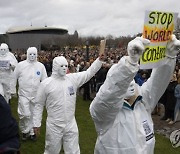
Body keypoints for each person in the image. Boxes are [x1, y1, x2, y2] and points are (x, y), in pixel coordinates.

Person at [89, 35, 180, 154]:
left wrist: (169, 56)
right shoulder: (103, 114)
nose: (131, 84)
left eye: (132, 80)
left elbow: (158, 82)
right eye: (127, 81)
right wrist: (130, 63)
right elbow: (107, 98)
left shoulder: (143, 101)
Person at [33, 40, 105, 154]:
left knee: (73, 151)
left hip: (70, 123)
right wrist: (36, 123)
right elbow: (38, 104)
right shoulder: (46, 84)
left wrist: (99, 61)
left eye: (66, 66)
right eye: (61, 66)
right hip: (54, 125)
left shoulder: (72, 79)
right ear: (55, 67)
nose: (64, 68)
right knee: (52, 150)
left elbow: (88, 73)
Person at [12, 47, 47, 141]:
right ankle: (24, 130)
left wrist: (46, 93)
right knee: (25, 114)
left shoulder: (40, 66)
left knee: (33, 114)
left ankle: (31, 132)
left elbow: (45, 81)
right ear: (27, 54)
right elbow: (14, 77)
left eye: (34, 54)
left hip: (36, 95)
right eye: (30, 54)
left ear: (37, 55)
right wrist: (12, 90)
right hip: (24, 94)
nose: (32, 56)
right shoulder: (21, 65)